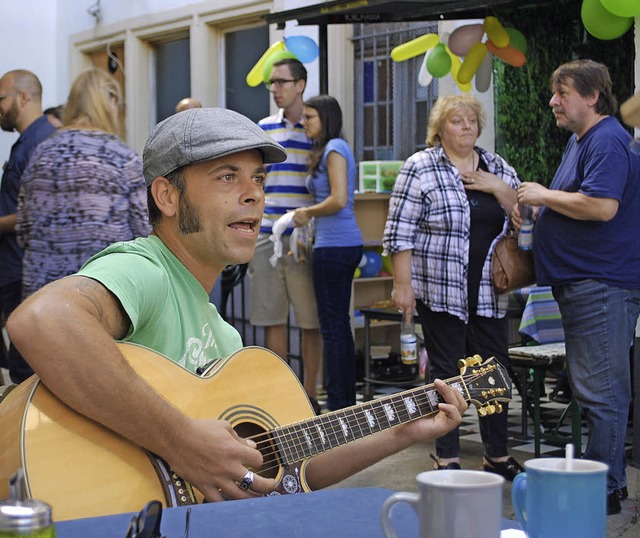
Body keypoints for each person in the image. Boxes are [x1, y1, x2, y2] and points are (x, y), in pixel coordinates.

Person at [6, 107, 467, 504]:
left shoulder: (223, 337)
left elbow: (292, 470)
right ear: (167, 196)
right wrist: (180, 441)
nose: (254, 194)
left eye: (258, 179)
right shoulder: (146, 270)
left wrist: (402, 430)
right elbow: (42, 321)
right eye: (227, 177)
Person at [514, 59, 640, 515]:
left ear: (591, 97)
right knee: (597, 388)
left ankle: (601, 490)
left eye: (562, 93)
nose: (552, 101)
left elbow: (602, 206)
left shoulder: (605, 139)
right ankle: (610, 482)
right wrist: (539, 207)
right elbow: (579, 200)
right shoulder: (583, 140)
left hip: (600, 284)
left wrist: (543, 196)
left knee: (601, 391)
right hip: (588, 283)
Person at [383, 94, 524, 480]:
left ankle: (496, 454)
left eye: (472, 121)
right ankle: (447, 455)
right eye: (457, 121)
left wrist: (499, 188)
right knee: (445, 373)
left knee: (493, 373)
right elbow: (400, 232)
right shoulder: (421, 167)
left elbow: (524, 220)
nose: (466, 127)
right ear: (440, 128)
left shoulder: (497, 166)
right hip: (440, 290)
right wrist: (403, 284)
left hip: (488, 293)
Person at [16, 68, 151, 303]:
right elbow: (145, 232)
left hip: (42, 296)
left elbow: (24, 229)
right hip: (99, 292)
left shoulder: (41, 154)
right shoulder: (122, 158)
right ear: (111, 102)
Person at [249, 58, 323, 412]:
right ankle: (279, 397)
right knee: (271, 318)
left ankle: (310, 395)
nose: (275, 89)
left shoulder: (316, 131)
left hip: (304, 238)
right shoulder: (262, 129)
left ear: (301, 84)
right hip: (266, 234)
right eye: (272, 83)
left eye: (281, 82)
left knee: (311, 319)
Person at [292, 95, 363, 411]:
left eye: (309, 117)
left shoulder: (334, 148)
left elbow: (338, 199)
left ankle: (338, 402)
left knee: (332, 328)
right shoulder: (333, 148)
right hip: (338, 244)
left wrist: (307, 213)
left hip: (335, 245)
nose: (303, 122)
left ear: (326, 119)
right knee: (338, 326)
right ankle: (344, 398)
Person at [0, 69, 57, 384]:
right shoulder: (26, 142)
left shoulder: (42, 142)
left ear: (22, 97)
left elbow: (37, 214)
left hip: (27, 275)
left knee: (28, 372)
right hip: (15, 272)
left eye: (1, 98)